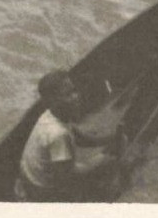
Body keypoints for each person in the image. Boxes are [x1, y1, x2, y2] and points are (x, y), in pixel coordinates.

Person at [15, 69, 125, 201]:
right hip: (42, 190)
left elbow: (78, 136)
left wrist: (107, 139)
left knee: (102, 158)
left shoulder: (51, 115)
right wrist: (102, 160)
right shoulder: (58, 135)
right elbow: (67, 176)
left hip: (30, 177)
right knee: (109, 164)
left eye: (74, 90)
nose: (76, 96)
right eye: (68, 95)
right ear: (53, 101)